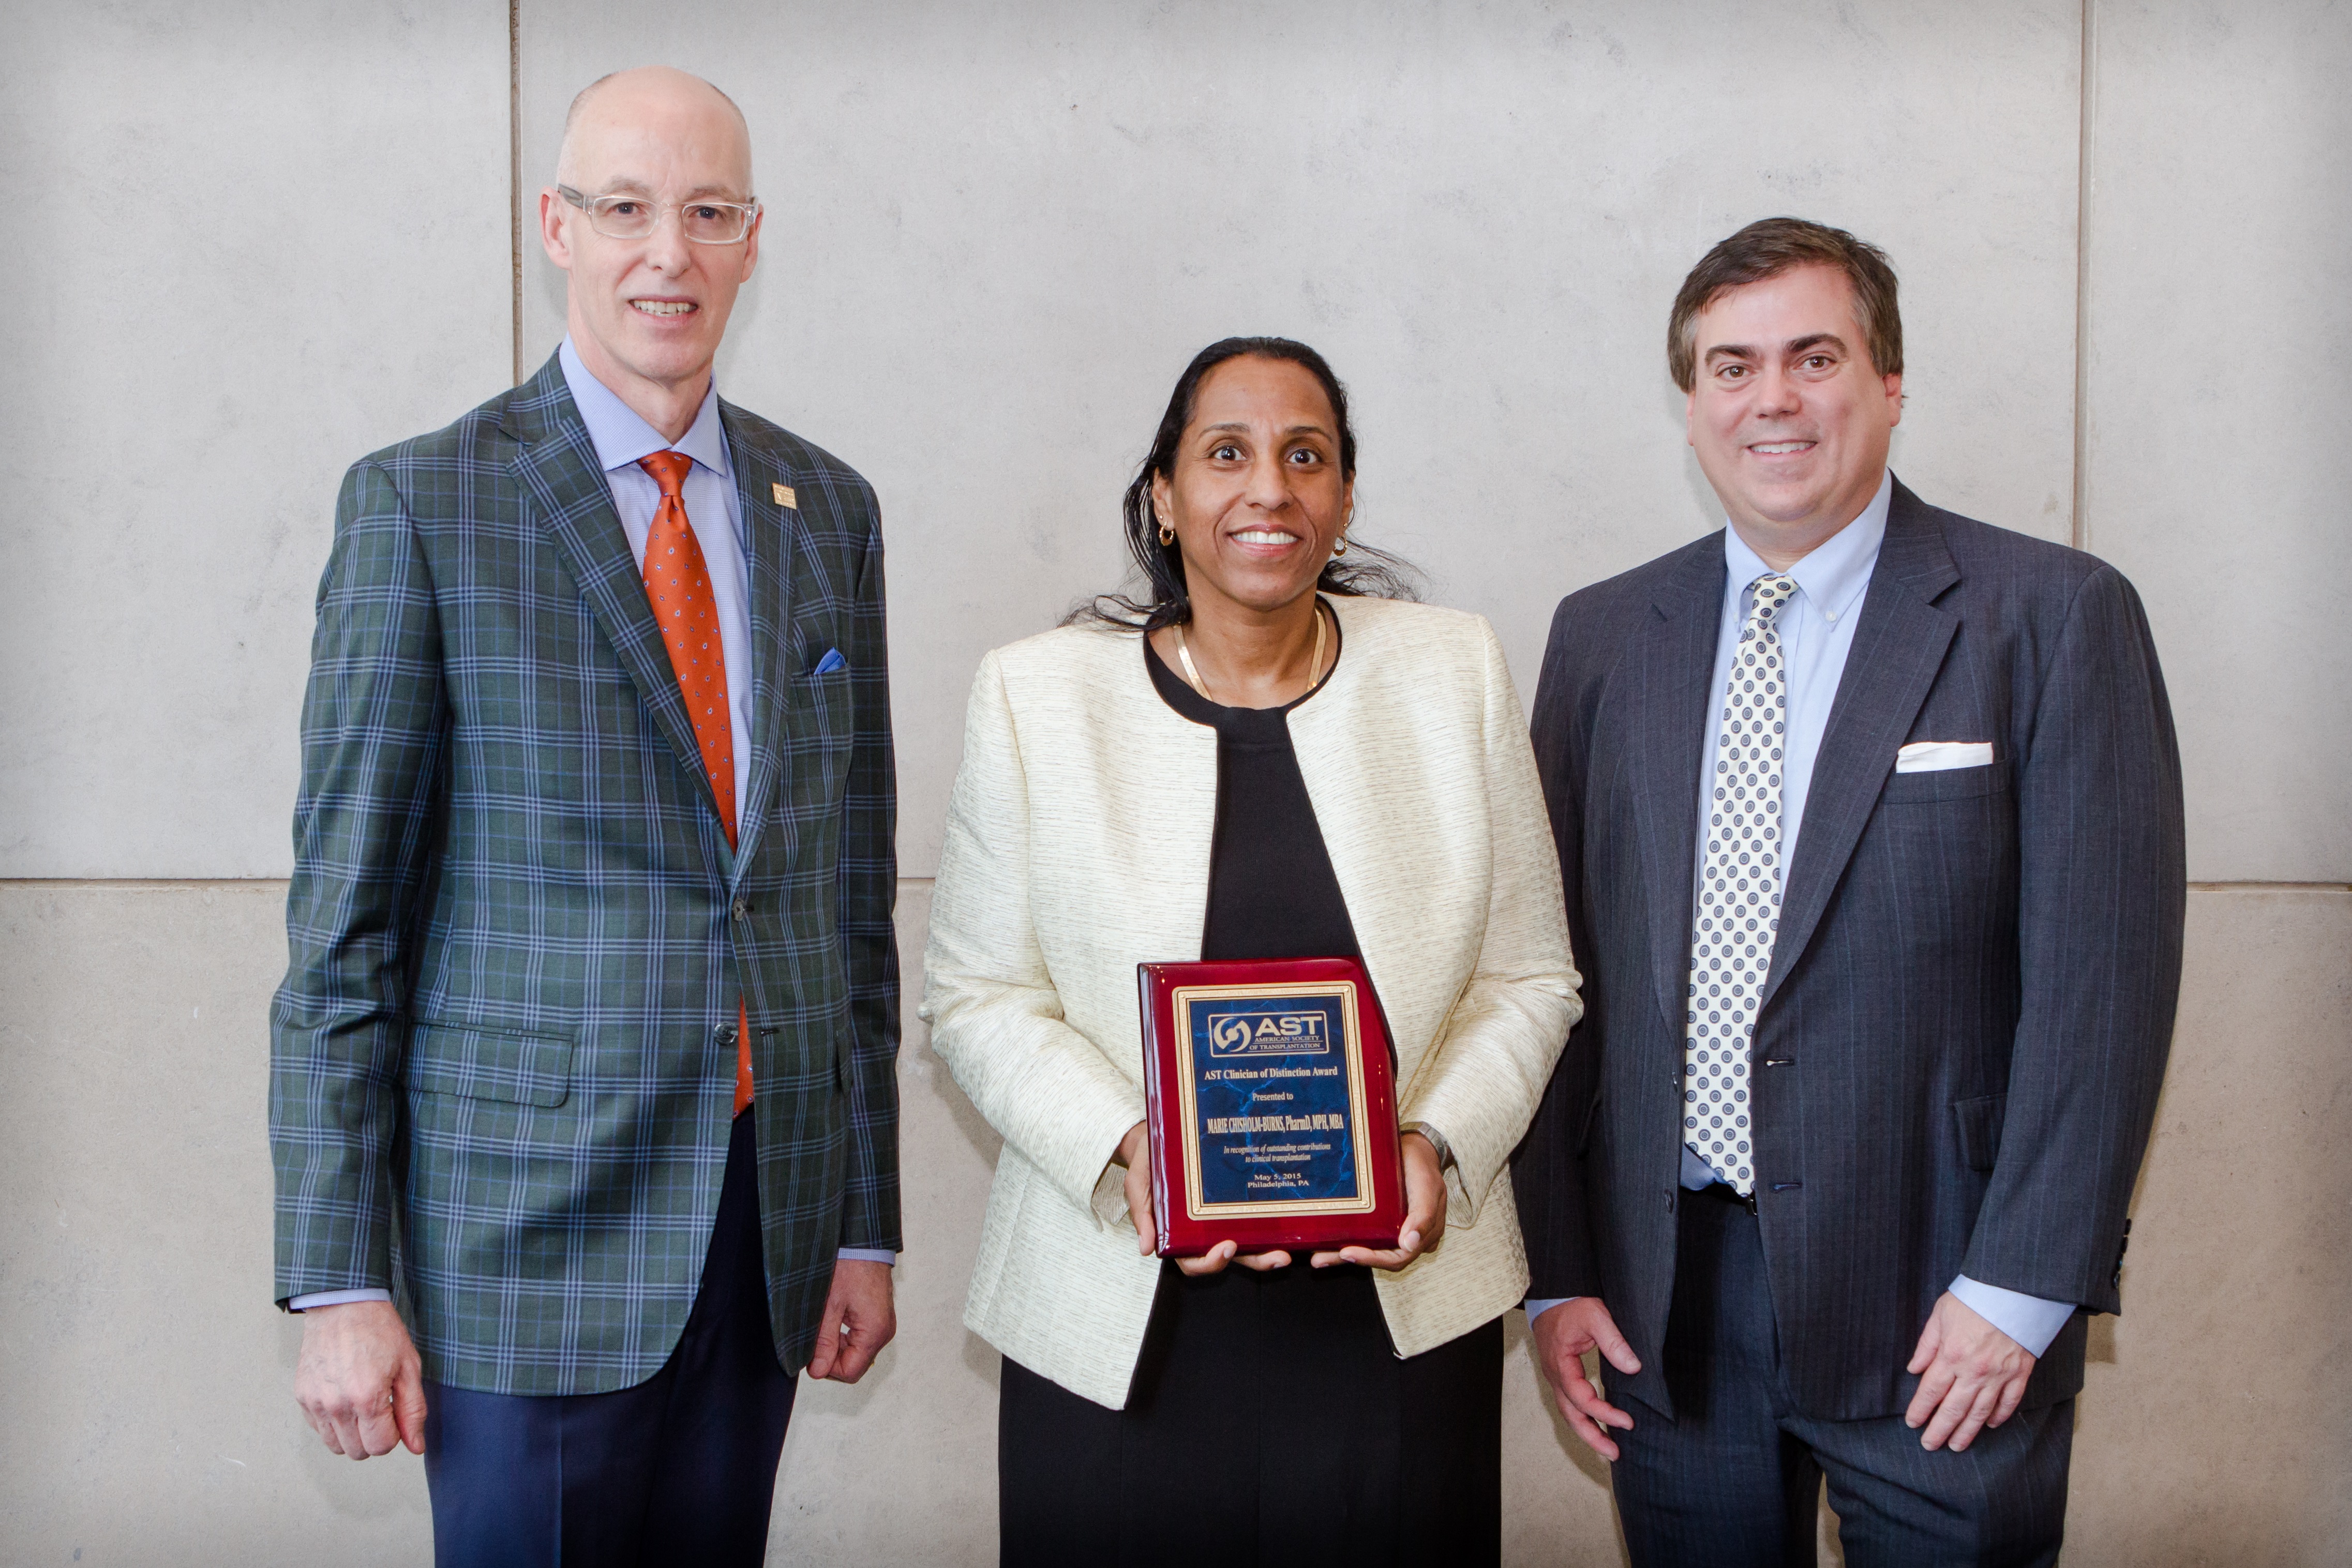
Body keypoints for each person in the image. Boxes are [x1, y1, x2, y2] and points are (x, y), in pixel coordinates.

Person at [268, 66, 901, 1567]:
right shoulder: (423, 506)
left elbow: (843, 896)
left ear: (754, 240)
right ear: (555, 227)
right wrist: (338, 1280)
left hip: (764, 1237)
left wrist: (862, 1216)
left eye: (707, 212)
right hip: (517, 1248)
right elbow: (341, 935)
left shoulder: (833, 509)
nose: (665, 253)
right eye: (624, 209)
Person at [1514, 217, 2184, 1565]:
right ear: (1691, 403)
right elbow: (1553, 968)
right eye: (1729, 366)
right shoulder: (1601, 637)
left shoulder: (2047, 617)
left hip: (1943, 1304)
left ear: (1886, 383)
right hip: (1668, 1308)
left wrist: (2022, 1286)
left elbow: (2098, 994)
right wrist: (1562, 1268)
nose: (1771, 399)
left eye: (1812, 358)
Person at [922, 337, 1581, 1564]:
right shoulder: (1036, 696)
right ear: (1166, 498)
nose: (1267, 487)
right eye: (1226, 453)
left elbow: (1530, 975)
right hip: (1119, 1312)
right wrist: (1134, 1147)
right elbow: (976, 995)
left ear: (1341, 497)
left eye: (1304, 455)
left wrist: (1433, 1147)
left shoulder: (1452, 672)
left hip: (1396, 1313)